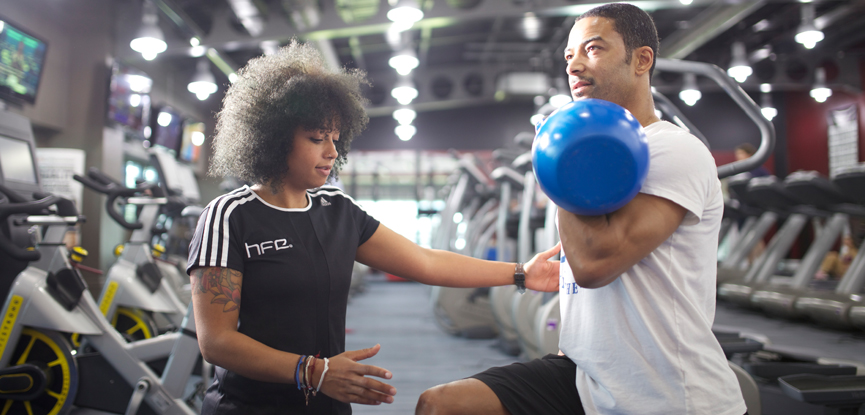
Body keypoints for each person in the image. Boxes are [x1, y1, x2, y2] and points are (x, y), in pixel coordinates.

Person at [186, 40, 561, 415]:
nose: (331, 151)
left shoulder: (338, 210)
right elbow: (216, 341)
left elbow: (425, 262)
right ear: (273, 138)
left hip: (327, 402)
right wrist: (313, 372)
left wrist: (520, 274)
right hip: (248, 407)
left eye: (335, 138)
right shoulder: (229, 216)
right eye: (317, 138)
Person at [415, 4, 747, 415]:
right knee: (441, 405)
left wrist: (564, 160)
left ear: (642, 60)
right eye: (569, 55)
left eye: (593, 49)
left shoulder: (673, 149)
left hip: (665, 394)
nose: (574, 65)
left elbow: (593, 265)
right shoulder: (601, 149)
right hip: (585, 377)